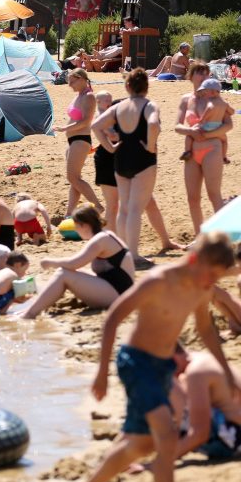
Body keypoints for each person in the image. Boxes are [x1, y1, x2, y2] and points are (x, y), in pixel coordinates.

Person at [75, 232, 237, 482]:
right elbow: (113, 318)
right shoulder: (158, 281)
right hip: (136, 363)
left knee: (140, 445)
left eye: (217, 277)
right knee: (166, 437)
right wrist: (101, 373)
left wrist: (227, 373)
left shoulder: (202, 289)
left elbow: (206, 330)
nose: (210, 283)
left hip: (163, 367)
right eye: (210, 274)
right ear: (194, 259)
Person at [92, 69, 161, 266]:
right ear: (146, 86)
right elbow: (154, 124)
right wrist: (149, 145)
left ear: (127, 86)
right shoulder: (149, 105)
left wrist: (110, 147)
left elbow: (96, 126)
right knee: (135, 209)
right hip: (143, 159)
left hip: (121, 158)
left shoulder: (119, 107)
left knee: (124, 209)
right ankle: (134, 254)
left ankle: (122, 251)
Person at [18, 206, 135, 319]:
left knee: (62, 274)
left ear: (83, 225)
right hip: (118, 290)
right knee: (68, 272)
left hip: (119, 296)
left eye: (76, 226)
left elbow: (74, 263)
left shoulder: (100, 240)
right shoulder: (105, 235)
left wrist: (48, 262)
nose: (76, 230)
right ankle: (35, 306)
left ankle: (29, 314)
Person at [176, 72, 232, 233]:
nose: (202, 76)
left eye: (205, 73)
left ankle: (225, 239)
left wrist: (206, 134)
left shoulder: (217, 100)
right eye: (199, 73)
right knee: (192, 198)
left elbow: (229, 125)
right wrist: (191, 131)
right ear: (191, 77)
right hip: (192, 151)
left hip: (212, 148)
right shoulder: (186, 99)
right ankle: (200, 238)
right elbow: (177, 127)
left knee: (214, 194)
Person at [53, 68, 103, 216]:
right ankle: (69, 213)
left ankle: (98, 206)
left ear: (81, 79)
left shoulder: (89, 96)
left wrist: (64, 128)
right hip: (73, 141)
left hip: (81, 140)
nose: (70, 85)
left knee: (73, 177)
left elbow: (86, 121)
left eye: (72, 81)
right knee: (75, 180)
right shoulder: (80, 95)